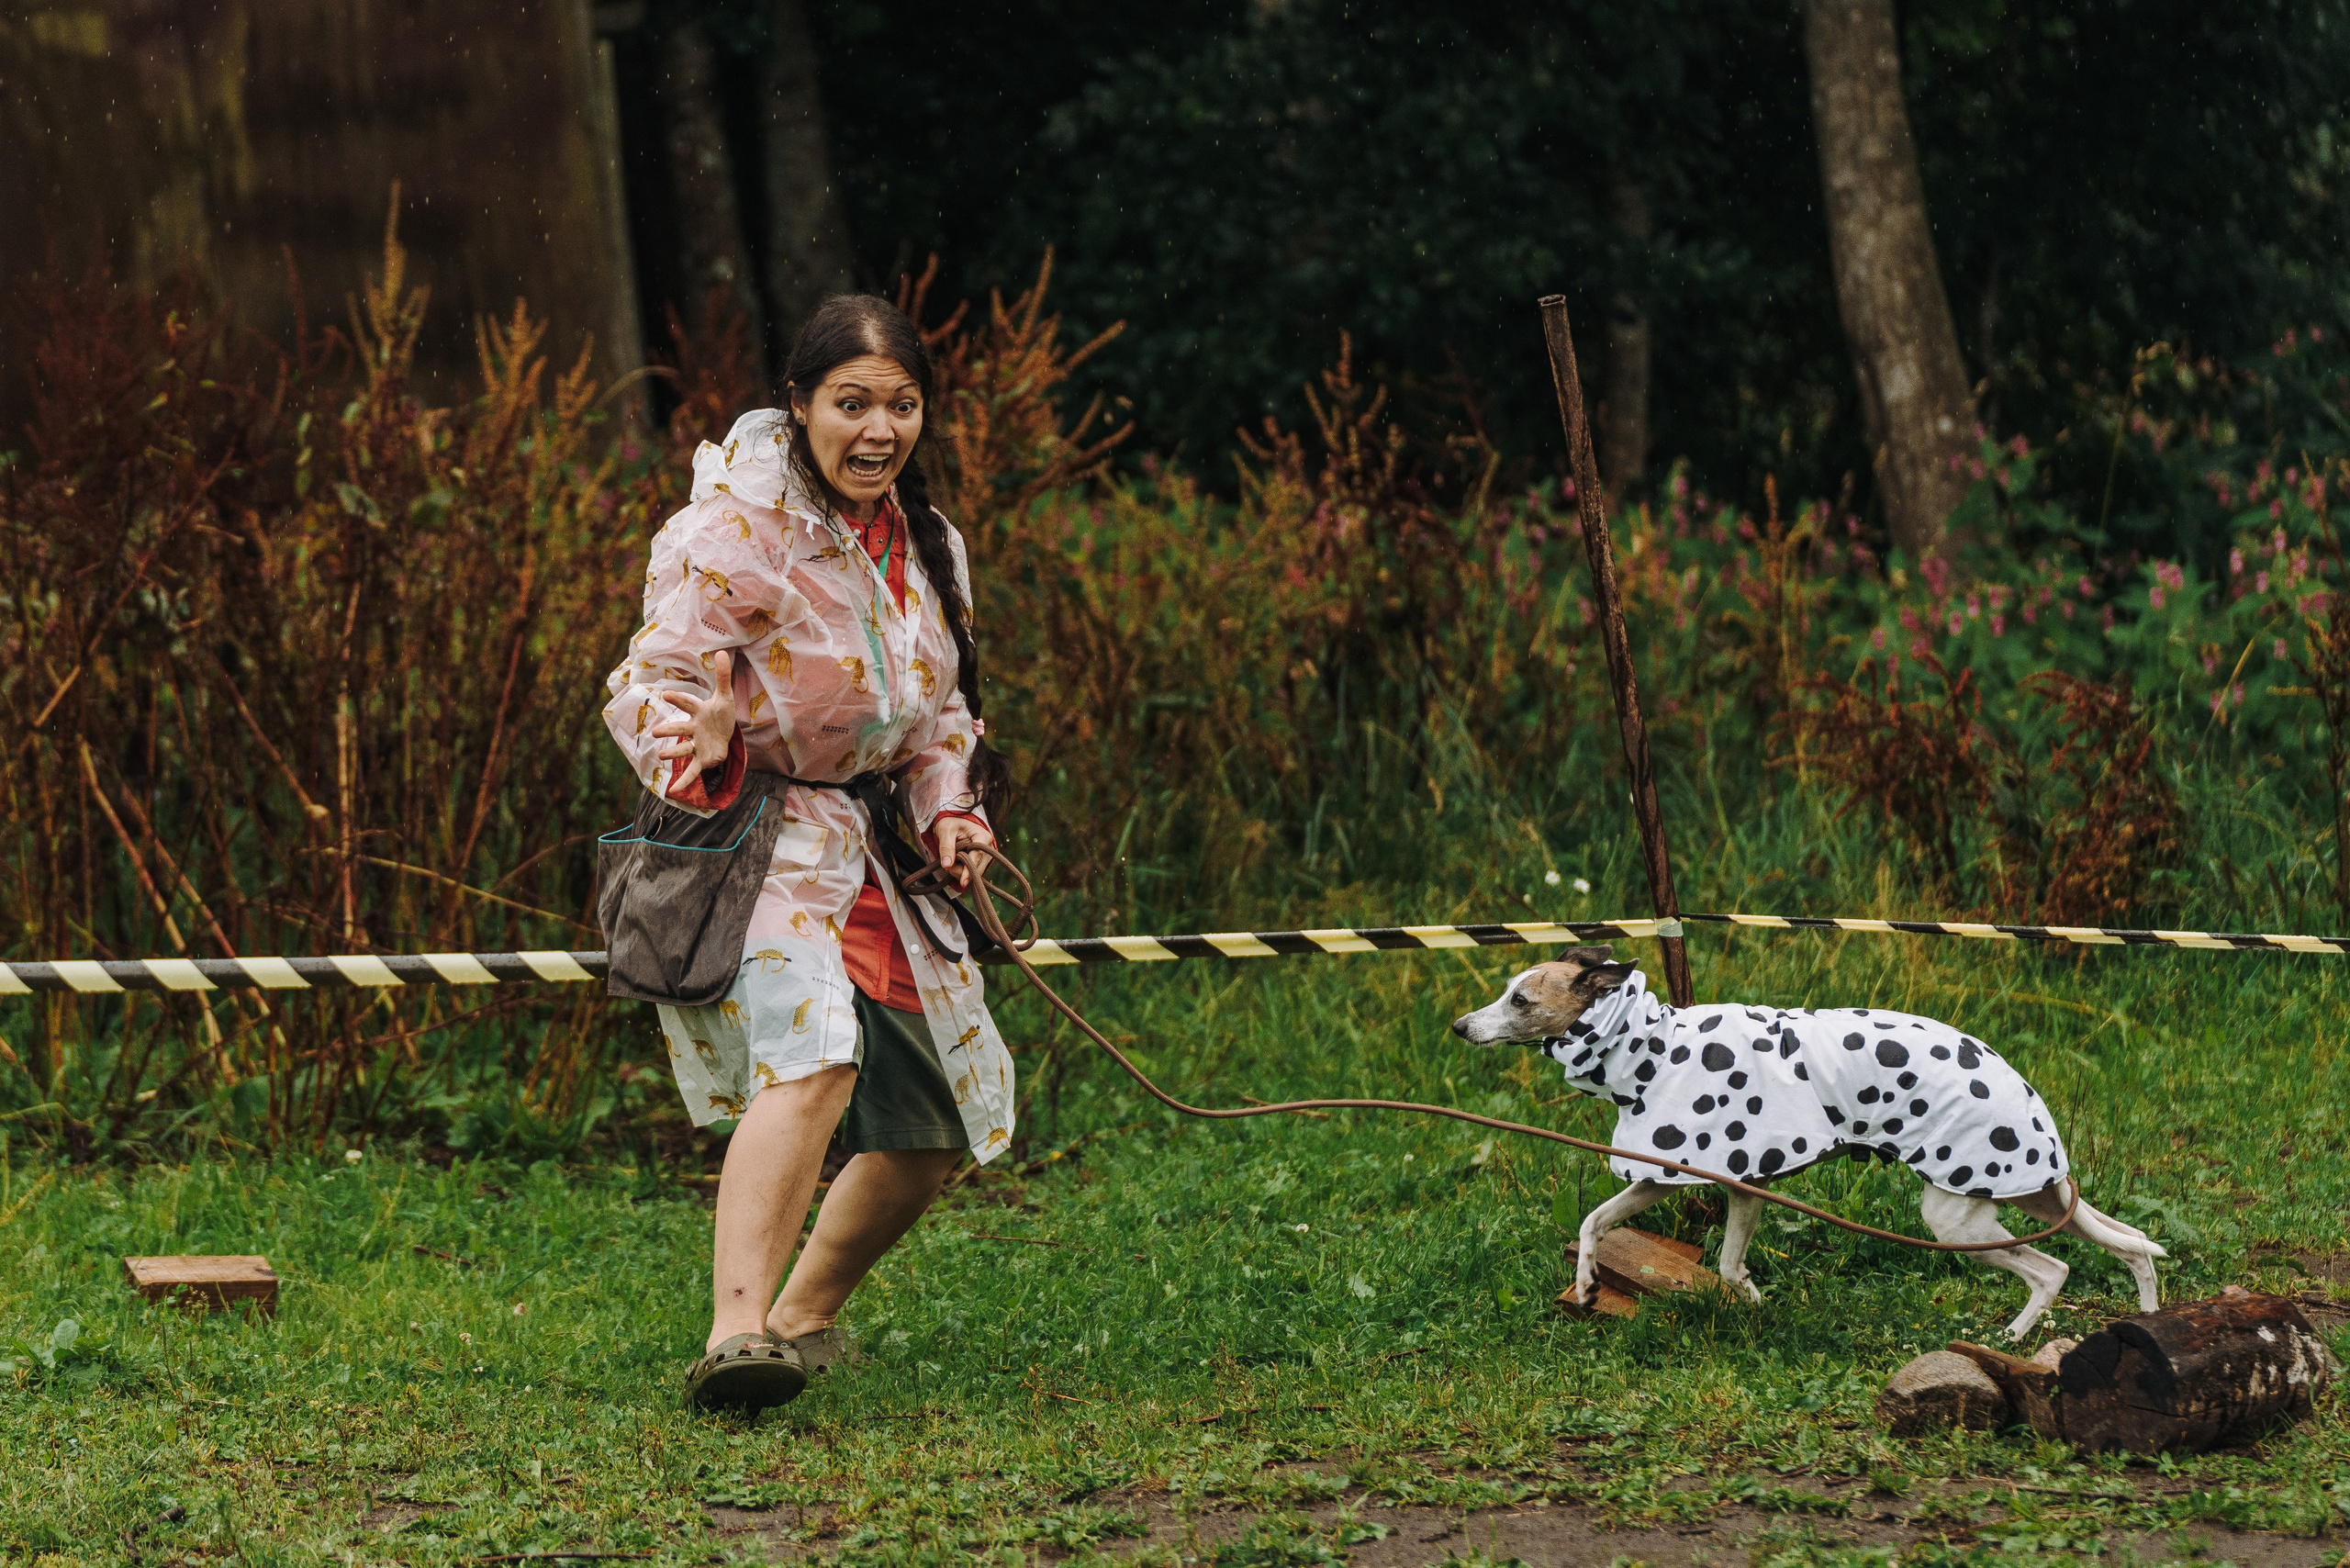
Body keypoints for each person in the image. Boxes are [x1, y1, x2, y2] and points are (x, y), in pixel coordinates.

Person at [600, 295, 1014, 1414]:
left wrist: (950, 817)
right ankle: (735, 1335)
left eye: (902, 405)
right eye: (852, 404)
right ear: (799, 406)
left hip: (876, 852)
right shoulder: (728, 533)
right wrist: (703, 740)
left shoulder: (931, 545)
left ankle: (803, 1318)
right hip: (758, 841)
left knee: (932, 1124)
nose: (878, 430)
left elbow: (939, 724)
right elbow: (649, 684)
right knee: (816, 1052)